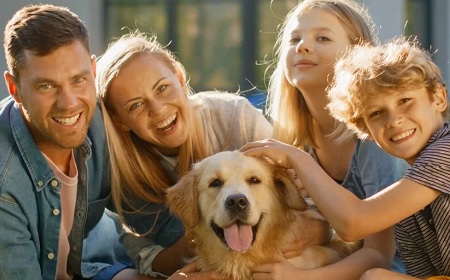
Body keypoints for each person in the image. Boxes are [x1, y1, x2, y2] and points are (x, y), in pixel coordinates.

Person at [242, 38, 449, 279]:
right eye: (377, 113)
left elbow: (354, 223)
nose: (394, 120)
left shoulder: (444, 151)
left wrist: (297, 158)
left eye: (405, 101)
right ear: (365, 128)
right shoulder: (408, 205)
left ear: (439, 98)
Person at [95, 32, 274, 279]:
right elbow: (145, 258)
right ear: (119, 121)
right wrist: (196, 245)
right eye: (135, 105)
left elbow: (299, 198)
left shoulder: (237, 119)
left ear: (179, 78)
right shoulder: (125, 174)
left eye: (162, 88)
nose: (158, 109)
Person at [0, 4, 133, 280]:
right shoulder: (4, 181)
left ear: (93, 71)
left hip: (94, 264)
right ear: (15, 89)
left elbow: (155, 218)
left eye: (78, 79)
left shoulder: (104, 118)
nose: (69, 103)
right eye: (46, 86)